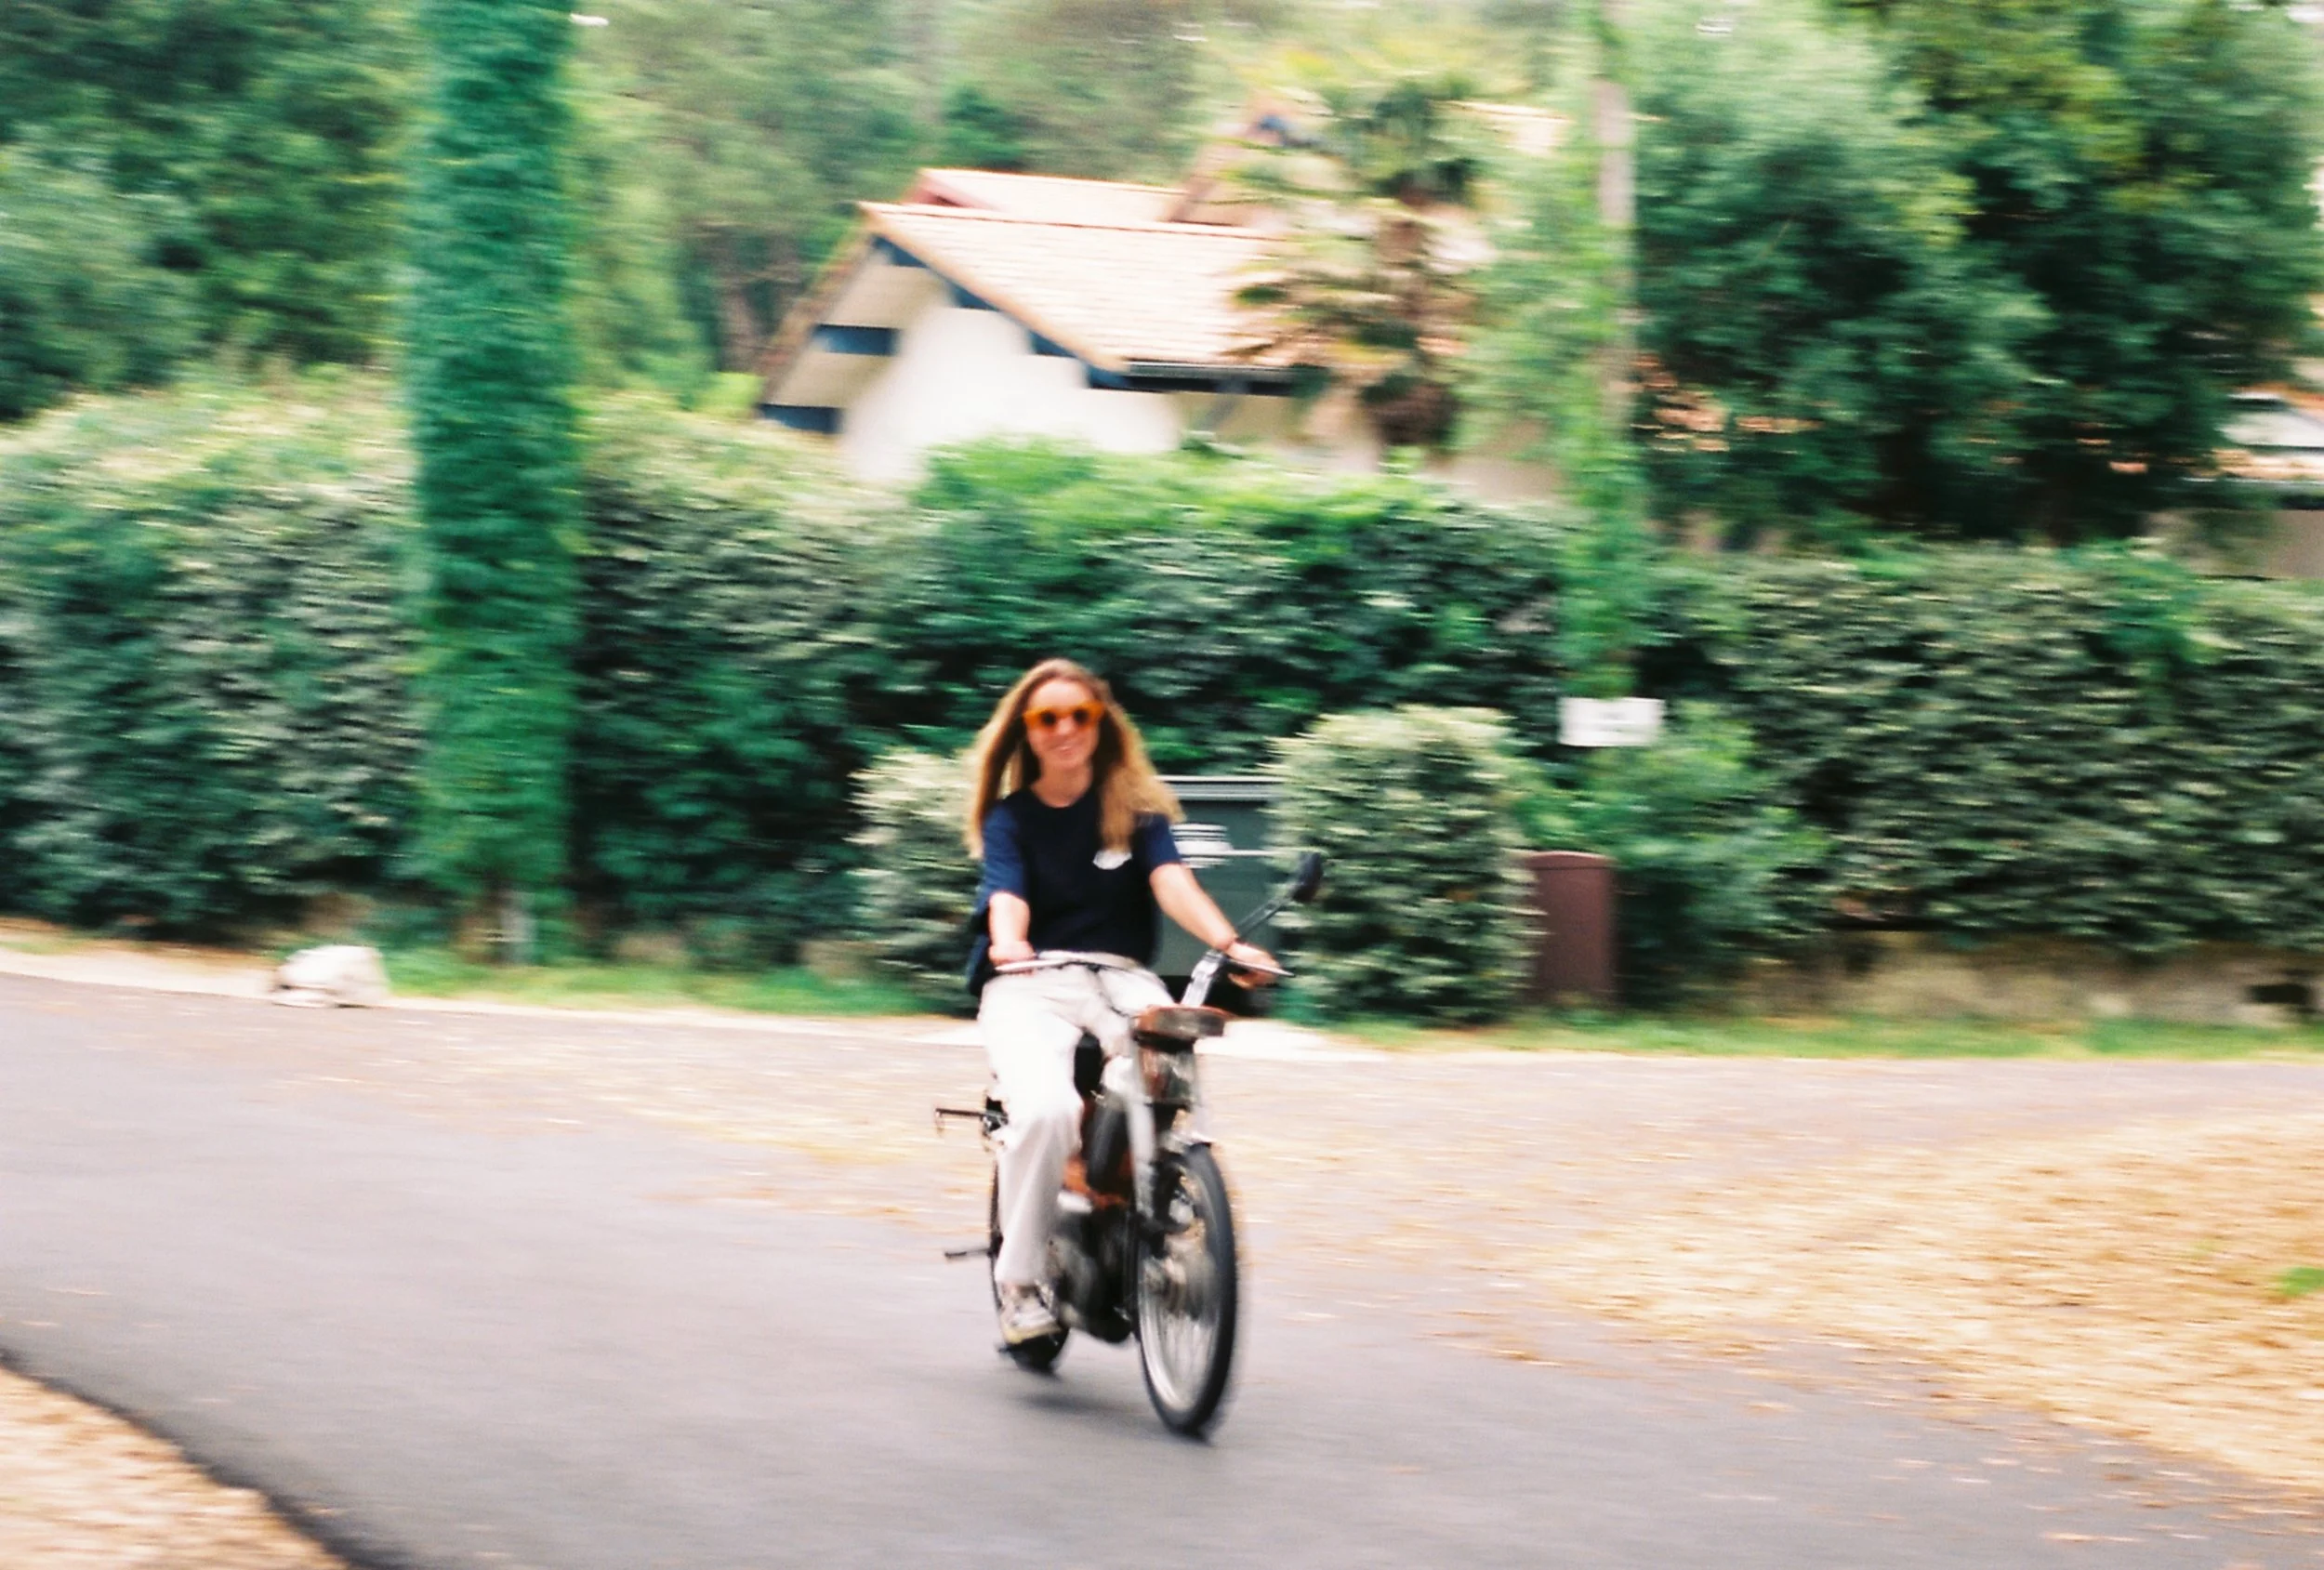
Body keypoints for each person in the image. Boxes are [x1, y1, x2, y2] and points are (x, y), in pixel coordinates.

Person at [964, 657, 1275, 1346]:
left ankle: (1153, 1191)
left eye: (1079, 714)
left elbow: (1172, 882)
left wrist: (1231, 945)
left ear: (1101, 724)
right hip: (1031, 980)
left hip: (1119, 978)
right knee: (1047, 1109)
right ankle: (1020, 1288)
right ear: (1028, 730)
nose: (1065, 729)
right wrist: (1009, 940)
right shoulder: (1012, 818)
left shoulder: (1135, 809)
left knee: (1165, 1062)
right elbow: (1007, 895)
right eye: (1048, 717)